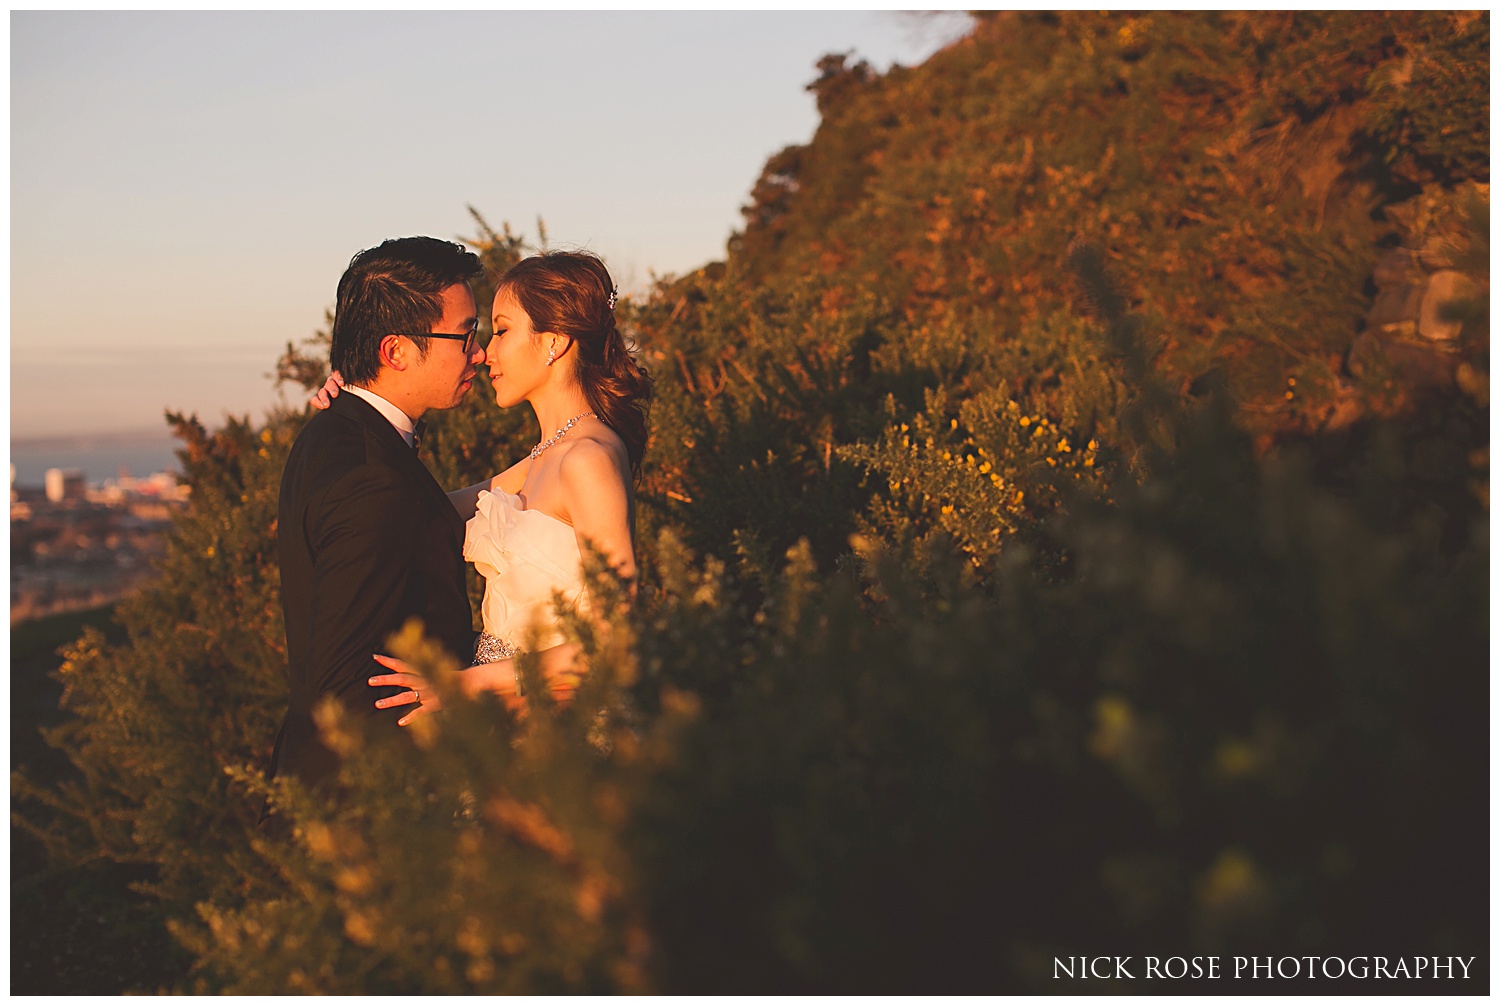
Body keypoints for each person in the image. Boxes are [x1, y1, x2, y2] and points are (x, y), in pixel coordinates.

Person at [312, 251, 650, 722]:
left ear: (553, 341)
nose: (486, 352)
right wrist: (361, 402)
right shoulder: (541, 460)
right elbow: (413, 515)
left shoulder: (588, 459)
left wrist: (462, 683)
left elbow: (618, 636)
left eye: (503, 330)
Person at [268, 236, 485, 795]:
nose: (478, 354)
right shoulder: (371, 475)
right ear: (395, 352)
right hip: (374, 806)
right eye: (464, 336)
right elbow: (343, 686)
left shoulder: (332, 431)